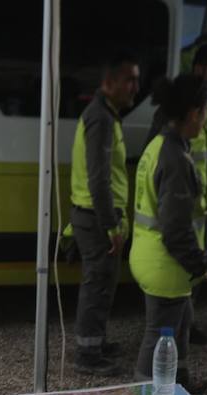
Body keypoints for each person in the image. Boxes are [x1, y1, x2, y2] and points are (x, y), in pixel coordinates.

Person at [130, 75, 207, 392]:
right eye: (204, 112)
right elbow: (175, 229)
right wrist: (200, 266)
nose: (205, 120)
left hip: (156, 255)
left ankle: (179, 383)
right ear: (193, 113)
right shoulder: (174, 159)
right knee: (160, 333)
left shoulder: (161, 145)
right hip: (165, 262)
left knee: (181, 322)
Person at [70, 52, 140, 376]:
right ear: (108, 83)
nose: (135, 87)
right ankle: (87, 356)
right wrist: (110, 224)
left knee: (102, 283)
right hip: (96, 217)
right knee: (97, 284)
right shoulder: (101, 117)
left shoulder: (106, 114)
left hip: (95, 215)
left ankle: (95, 342)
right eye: (129, 80)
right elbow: (99, 178)